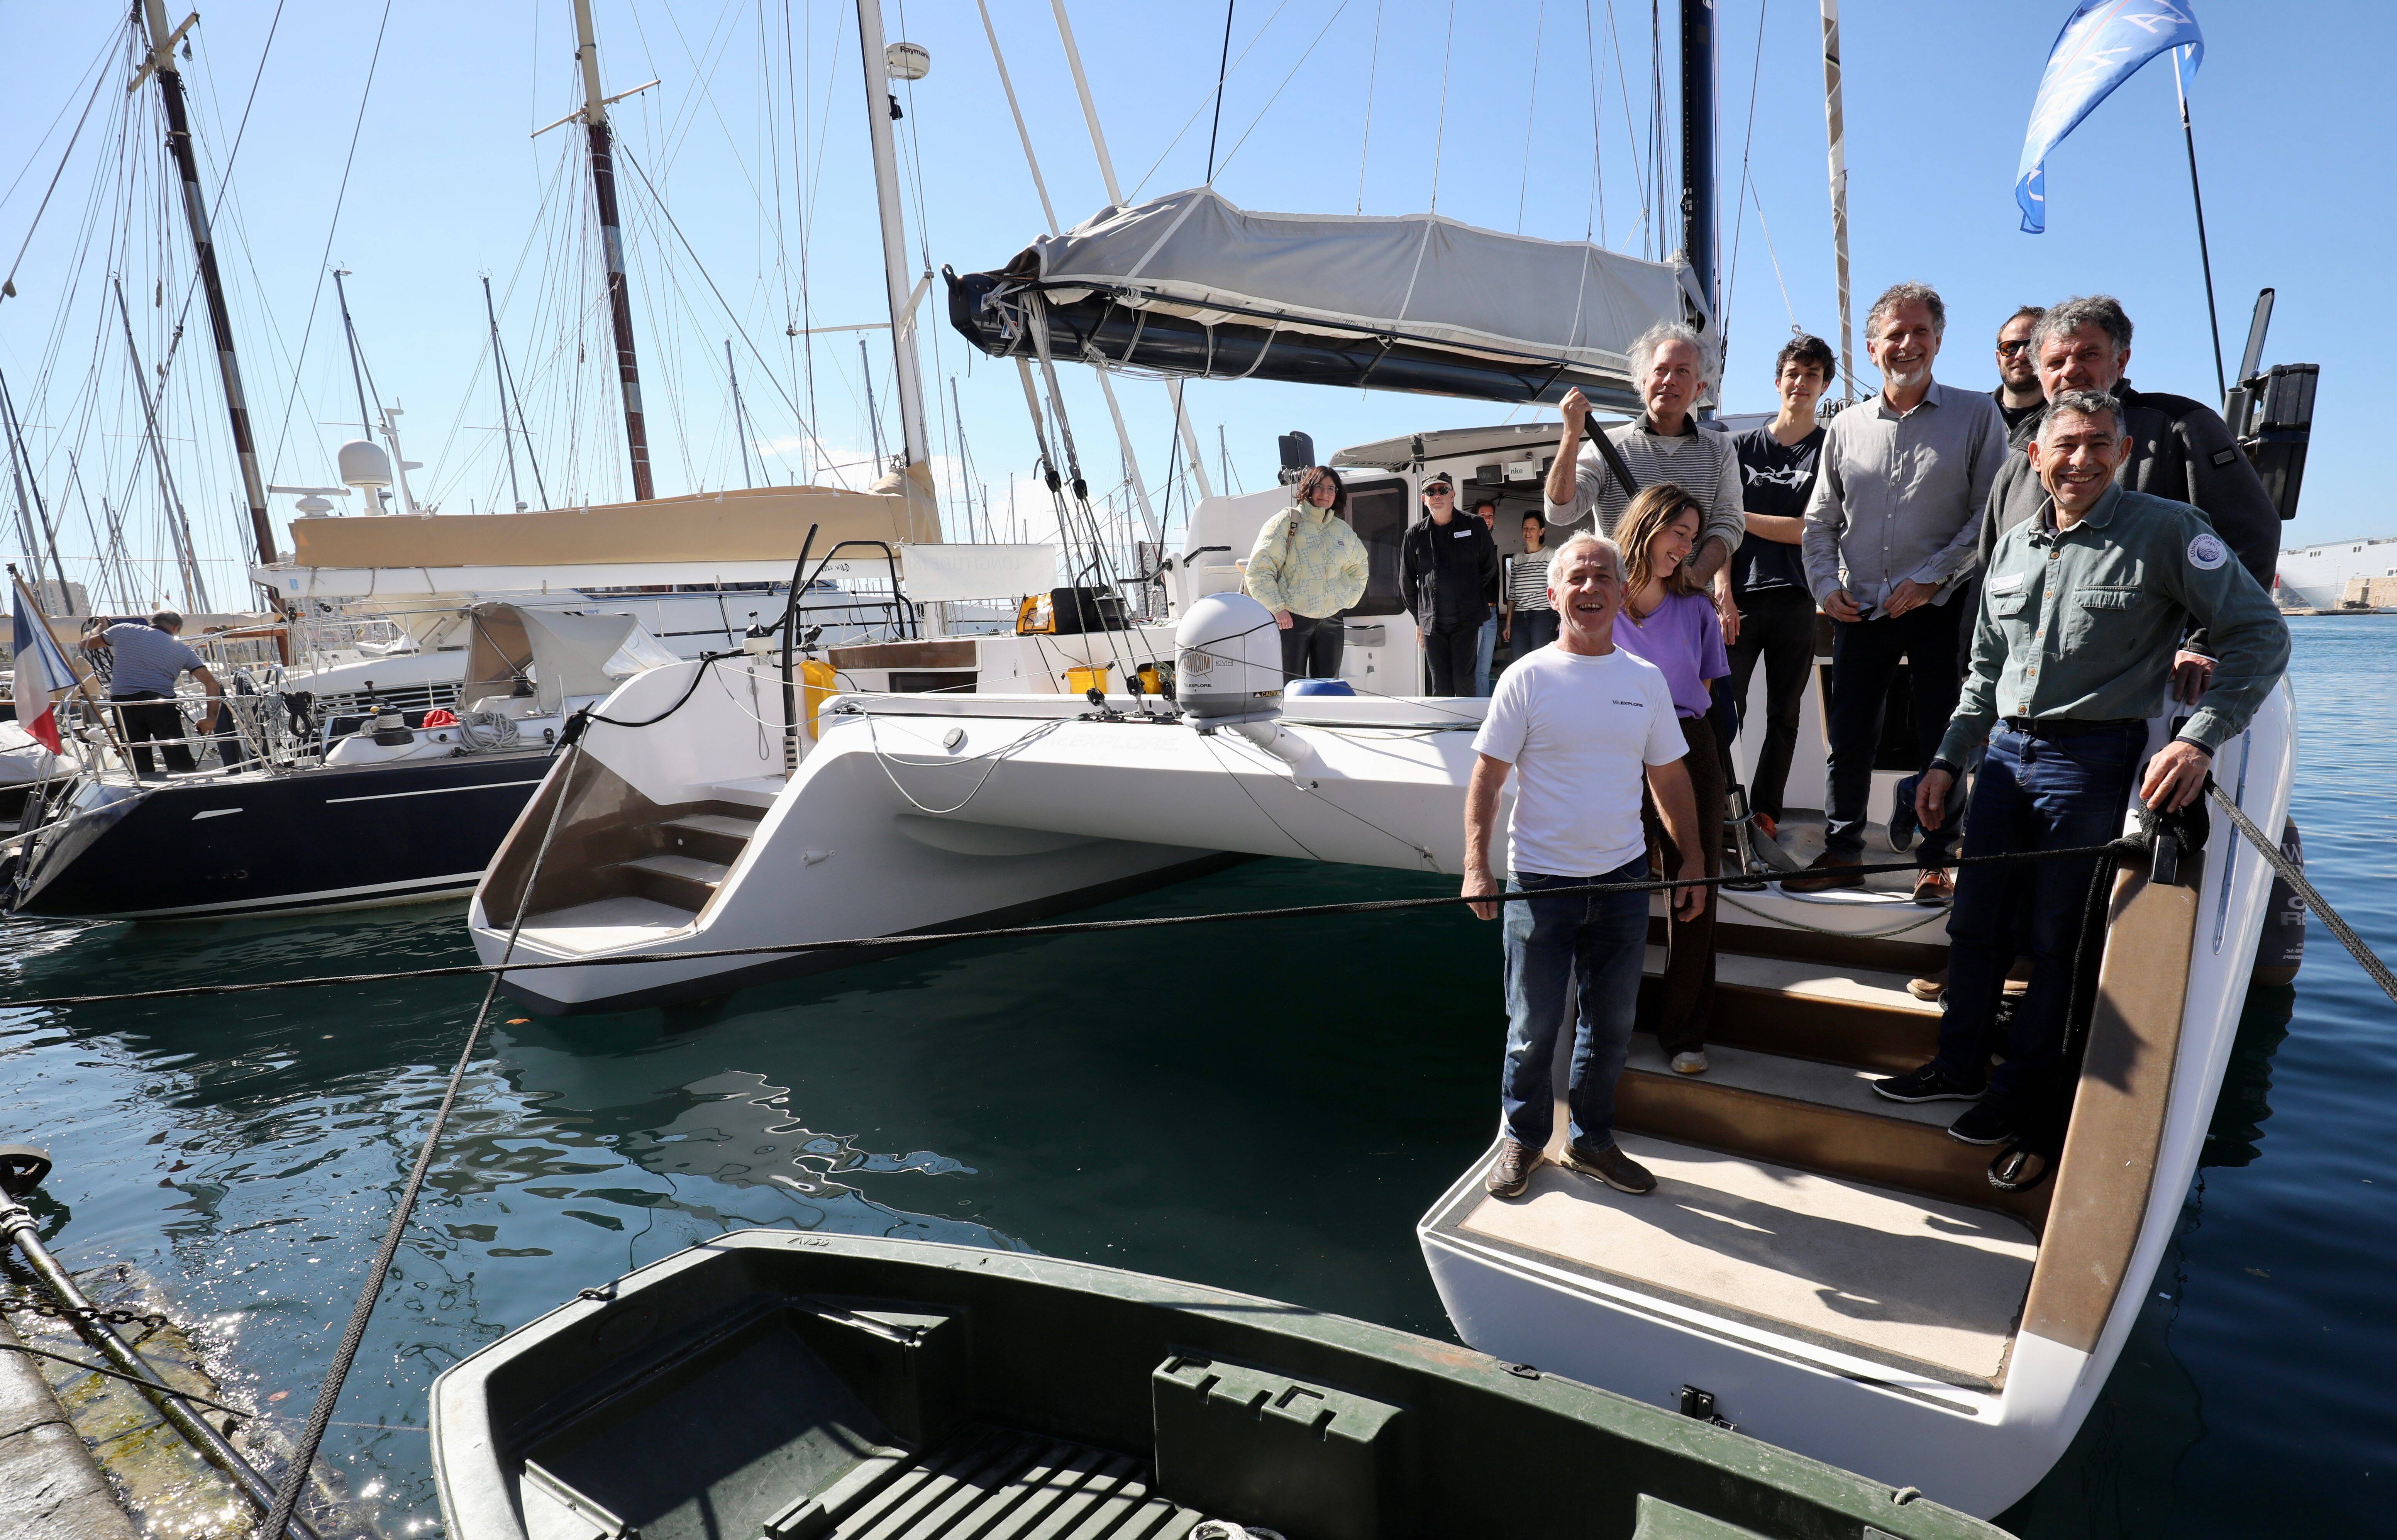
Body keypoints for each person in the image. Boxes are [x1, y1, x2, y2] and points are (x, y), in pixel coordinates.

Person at [1874, 390, 2289, 1145]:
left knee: (2055, 937)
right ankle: (1956, 1063)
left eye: (2098, 443)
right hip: (2002, 758)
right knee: (1972, 926)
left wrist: (2197, 737)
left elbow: (2258, 634)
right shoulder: (2010, 548)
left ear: (2122, 453)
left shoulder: (2166, 531)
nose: (2080, 458)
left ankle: (2023, 1093)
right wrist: (1945, 760)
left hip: (2089, 762)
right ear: (2034, 457)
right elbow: (1982, 669)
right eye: (2064, 444)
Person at [1463, 531, 1708, 1199]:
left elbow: (1668, 776)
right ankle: (1521, 1137)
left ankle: (1591, 1140)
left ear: (1620, 589)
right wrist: (1475, 866)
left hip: (1624, 882)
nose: (1589, 588)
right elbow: (1486, 778)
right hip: (1540, 884)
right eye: (1574, 577)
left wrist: (1690, 858)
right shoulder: (1525, 677)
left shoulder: (1644, 680)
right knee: (1530, 1029)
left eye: (1602, 575)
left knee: (1611, 1029)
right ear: (1552, 594)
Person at [1791, 281, 2008, 904]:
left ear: (1938, 341)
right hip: (1860, 610)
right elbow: (1819, 522)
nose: (1906, 345)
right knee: (1850, 738)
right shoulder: (1845, 426)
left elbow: (1987, 516)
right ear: (1871, 346)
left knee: (1943, 737)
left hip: (1942, 607)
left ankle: (1938, 859)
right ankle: (1841, 849)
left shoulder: (1977, 415)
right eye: (1894, 334)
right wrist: (1825, 587)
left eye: (1919, 333)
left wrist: (1932, 577)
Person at [1977, 295, 2282, 708]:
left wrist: (2203, 644)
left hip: (2155, 694)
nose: (2071, 371)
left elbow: (2248, 535)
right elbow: (1987, 585)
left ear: (2120, 362)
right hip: (2024, 706)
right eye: (2055, 362)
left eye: (2089, 355)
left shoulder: (2180, 427)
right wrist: (1975, 690)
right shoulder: (2017, 460)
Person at [1610, 485, 1731, 1075]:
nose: (1686, 548)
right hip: (1614, 748)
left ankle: (1684, 1031)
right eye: (1677, 533)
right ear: (1646, 526)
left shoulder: (1698, 607)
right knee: (1617, 885)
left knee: (1694, 886)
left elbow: (1704, 693)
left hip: (1689, 745)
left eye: (1693, 537)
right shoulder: (1601, 599)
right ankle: (1610, 1017)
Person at [1718, 334, 1834, 831]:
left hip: (1797, 601)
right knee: (1725, 710)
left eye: (1811, 375)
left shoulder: (1829, 447)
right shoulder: (1738, 447)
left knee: (1784, 717)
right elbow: (1716, 529)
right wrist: (1719, 590)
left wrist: (1739, 516)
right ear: (1778, 381)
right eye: (1793, 373)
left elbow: (1811, 529)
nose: (1801, 383)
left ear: (1823, 385)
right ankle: (1722, 804)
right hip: (1737, 598)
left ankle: (1765, 810)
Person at [1543, 322, 1743, 586]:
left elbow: (1727, 525)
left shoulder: (1719, 449)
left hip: (1688, 607)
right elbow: (1559, 513)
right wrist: (1571, 435)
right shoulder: (1606, 446)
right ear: (1643, 381)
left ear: (1699, 388)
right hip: (1620, 607)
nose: (1669, 379)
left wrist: (1695, 579)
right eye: (1660, 370)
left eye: (1682, 371)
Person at [1243, 465, 1369, 683]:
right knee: (1289, 687)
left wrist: (1346, 599)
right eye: (1319, 487)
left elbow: (1360, 567)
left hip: (1332, 621)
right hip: (1291, 620)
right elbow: (1259, 569)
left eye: (1331, 489)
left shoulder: (1342, 530)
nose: (1325, 494)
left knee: (1328, 689)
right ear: (1308, 489)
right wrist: (1277, 609)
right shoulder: (1288, 521)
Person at [84, 608, 223, 776]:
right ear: (175, 629)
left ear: (153, 622)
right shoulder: (183, 650)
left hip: (124, 704)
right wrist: (211, 718)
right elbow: (211, 683)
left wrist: (101, 628)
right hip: (160, 703)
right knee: (178, 756)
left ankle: (144, 786)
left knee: (137, 755)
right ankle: (187, 784)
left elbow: (86, 644)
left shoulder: (123, 629)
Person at [1400, 473, 1497, 696]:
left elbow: (1489, 566)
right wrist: (1420, 618)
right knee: (1441, 685)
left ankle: (1467, 730)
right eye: (1430, 492)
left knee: (1464, 681)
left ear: (1453, 495)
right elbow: (1406, 582)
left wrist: (1469, 592)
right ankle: (1445, 731)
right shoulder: (1414, 535)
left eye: (1443, 490)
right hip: (1433, 626)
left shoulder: (1475, 526)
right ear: (1424, 499)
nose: (1437, 496)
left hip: (1467, 621)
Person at [1502, 512, 1558, 659]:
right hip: (1520, 617)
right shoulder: (1517, 558)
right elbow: (1512, 592)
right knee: (1518, 661)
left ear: (1542, 531)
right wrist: (1508, 624)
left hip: (1543, 615)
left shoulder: (1551, 555)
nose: (1528, 532)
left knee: (1541, 660)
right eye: (1525, 528)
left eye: (1533, 528)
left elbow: (1559, 589)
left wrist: (1561, 619)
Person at [1991, 305, 2047, 439]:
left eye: (2033, 345)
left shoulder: (2067, 418)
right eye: (2010, 347)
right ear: (1998, 359)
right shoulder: (1972, 414)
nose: (2021, 355)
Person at [1470, 499, 1502, 696]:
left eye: (1490, 516)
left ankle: (1481, 716)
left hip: (1491, 614)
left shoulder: (1491, 543)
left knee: (1483, 671)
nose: (1487, 520)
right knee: (1473, 669)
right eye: (1483, 516)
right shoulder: (1471, 543)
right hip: (1476, 613)